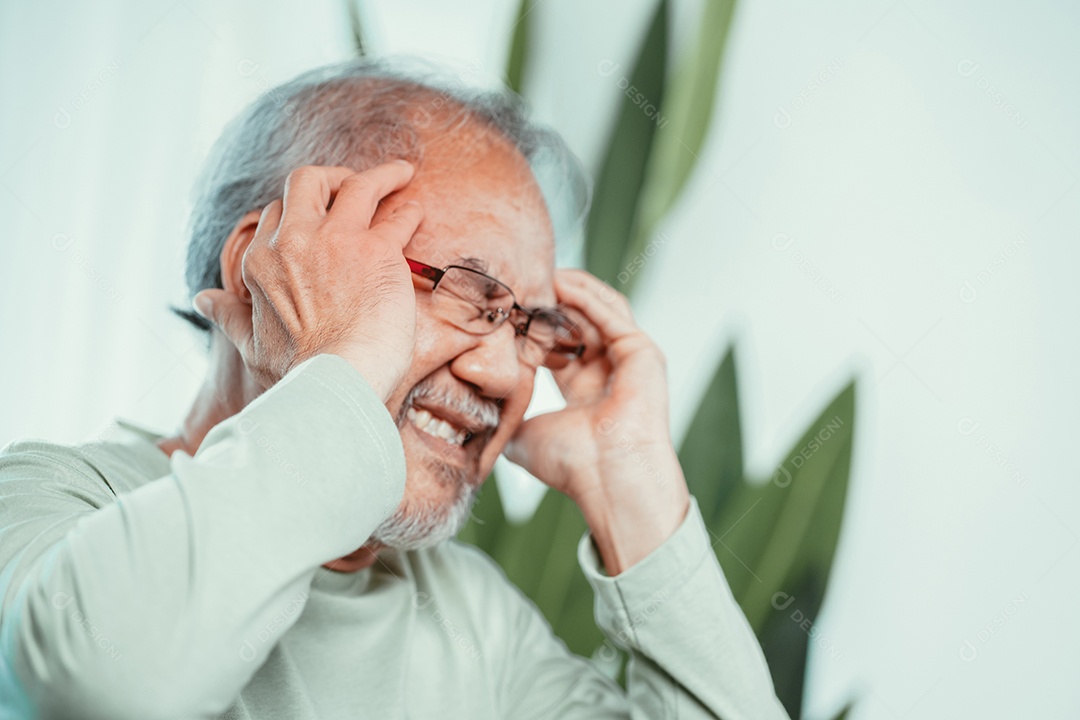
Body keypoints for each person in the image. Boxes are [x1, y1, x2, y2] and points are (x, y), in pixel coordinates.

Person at [0, 57, 790, 719]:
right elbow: (106, 686)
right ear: (262, 264)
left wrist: (631, 483)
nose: (504, 374)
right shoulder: (49, 501)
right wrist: (343, 363)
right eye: (466, 288)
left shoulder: (475, 621)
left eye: (529, 325)